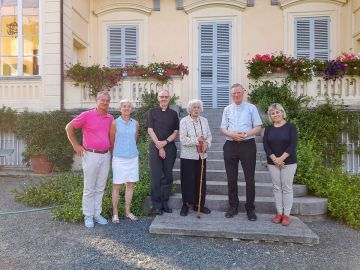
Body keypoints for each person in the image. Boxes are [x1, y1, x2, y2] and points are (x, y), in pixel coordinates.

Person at [65, 91, 113, 228]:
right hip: (90, 155)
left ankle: (97, 214)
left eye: (107, 100)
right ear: (96, 101)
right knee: (89, 188)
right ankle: (88, 216)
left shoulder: (110, 118)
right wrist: (75, 145)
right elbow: (68, 127)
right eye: (102, 100)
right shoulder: (87, 115)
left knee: (100, 187)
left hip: (105, 155)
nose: (105, 102)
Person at [220, 83, 262, 221]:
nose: (236, 95)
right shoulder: (227, 109)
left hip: (247, 145)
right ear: (231, 95)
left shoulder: (251, 108)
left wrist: (245, 134)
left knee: (249, 179)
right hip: (230, 145)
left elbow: (258, 127)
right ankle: (233, 207)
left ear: (243, 93)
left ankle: (250, 208)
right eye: (233, 94)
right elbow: (223, 128)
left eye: (238, 93)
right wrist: (232, 135)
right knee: (231, 179)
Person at [263, 103, 298, 226]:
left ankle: (287, 215)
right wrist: (275, 159)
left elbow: (293, 145)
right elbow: (266, 146)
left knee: (287, 188)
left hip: (288, 162)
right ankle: (279, 213)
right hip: (273, 163)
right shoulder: (268, 129)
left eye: (277, 112)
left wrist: (281, 159)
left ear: (282, 113)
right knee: (276, 188)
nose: (275, 114)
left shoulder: (291, 127)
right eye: (273, 113)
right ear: (270, 116)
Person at [146, 90, 179, 215]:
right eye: (161, 97)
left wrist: (164, 143)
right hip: (155, 147)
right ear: (158, 98)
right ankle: (157, 205)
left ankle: (165, 203)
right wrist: (159, 146)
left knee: (168, 176)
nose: (164, 99)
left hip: (169, 147)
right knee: (156, 176)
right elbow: (150, 129)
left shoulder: (173, 114)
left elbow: (175, 132)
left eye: (166, 97)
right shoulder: (152, 112)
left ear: (169, 98)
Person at [179, 99, 212, 216]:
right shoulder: (184, 121)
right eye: (194, 107)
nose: (196, 109)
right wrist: (197, 140)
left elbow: (209, 136)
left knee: (201, 180)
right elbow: (183, 139)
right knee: (188, 181)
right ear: (189, 109)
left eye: (198, 107)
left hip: (201, 155)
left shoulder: (204, 121)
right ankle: (186, 204)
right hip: (188, 156)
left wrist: (207, 143)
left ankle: (200, 204)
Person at [110, 99, 139, 224]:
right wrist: (119, 150)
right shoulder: (114, 123)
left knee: (130, 185)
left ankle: (127, 212)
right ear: (120, 109)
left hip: (132, 158)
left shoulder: (136, 123)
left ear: (131, 109)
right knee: (116, 186)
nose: (127, 108)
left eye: (129, 106)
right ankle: (115, 213)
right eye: (124, 106)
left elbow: (135, 139)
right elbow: (112, 140)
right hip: (119, 158)